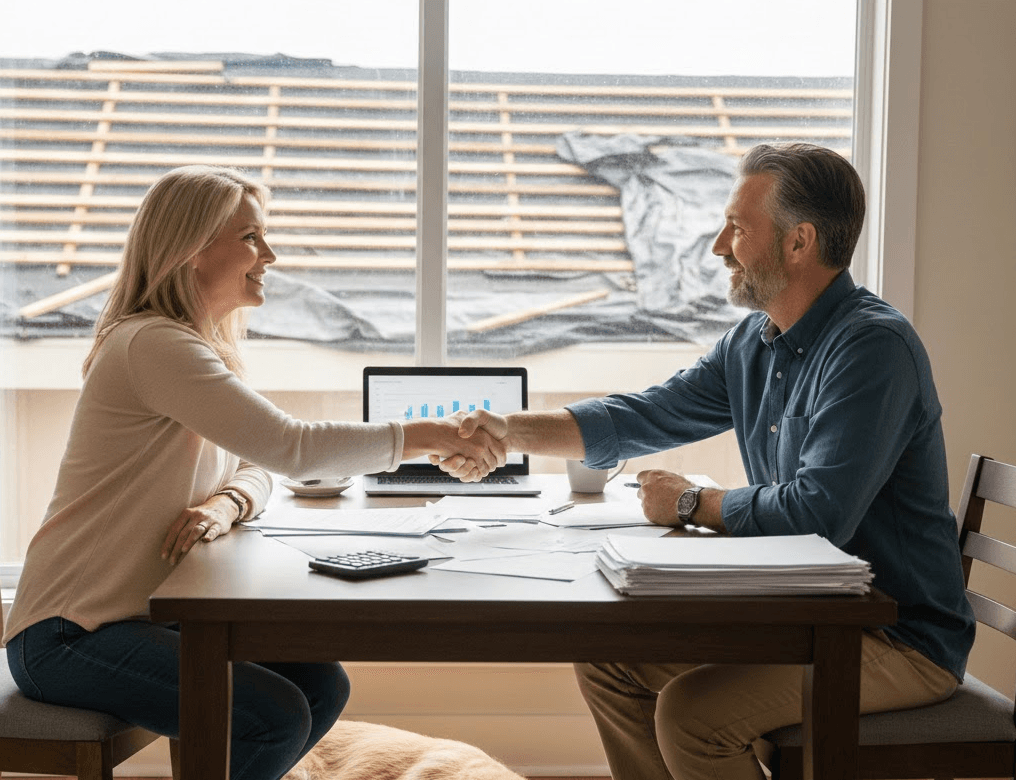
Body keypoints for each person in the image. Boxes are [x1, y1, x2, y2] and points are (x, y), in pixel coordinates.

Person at [435, 143, 976, 780]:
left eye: (739, 228)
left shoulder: (872, 349)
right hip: (806, 620)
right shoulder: (754, 341)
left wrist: (693, 503)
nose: (720, 246)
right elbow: (645, 414)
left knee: (694, 716)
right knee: (611, 661)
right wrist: (507, 428)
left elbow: (817, 513)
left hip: (895, 638)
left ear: (798, 242)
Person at [1, 165, 504, 780]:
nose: (268, 254)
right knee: (272, 716)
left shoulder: (195, 346)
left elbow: (255, 465)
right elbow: (292, 448)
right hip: (68, 636)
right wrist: (424, 435)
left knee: (321, 684)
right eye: (250, 237)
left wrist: (226, 503)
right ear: (190, 250)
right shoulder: (153, 345)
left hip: (136, 620)